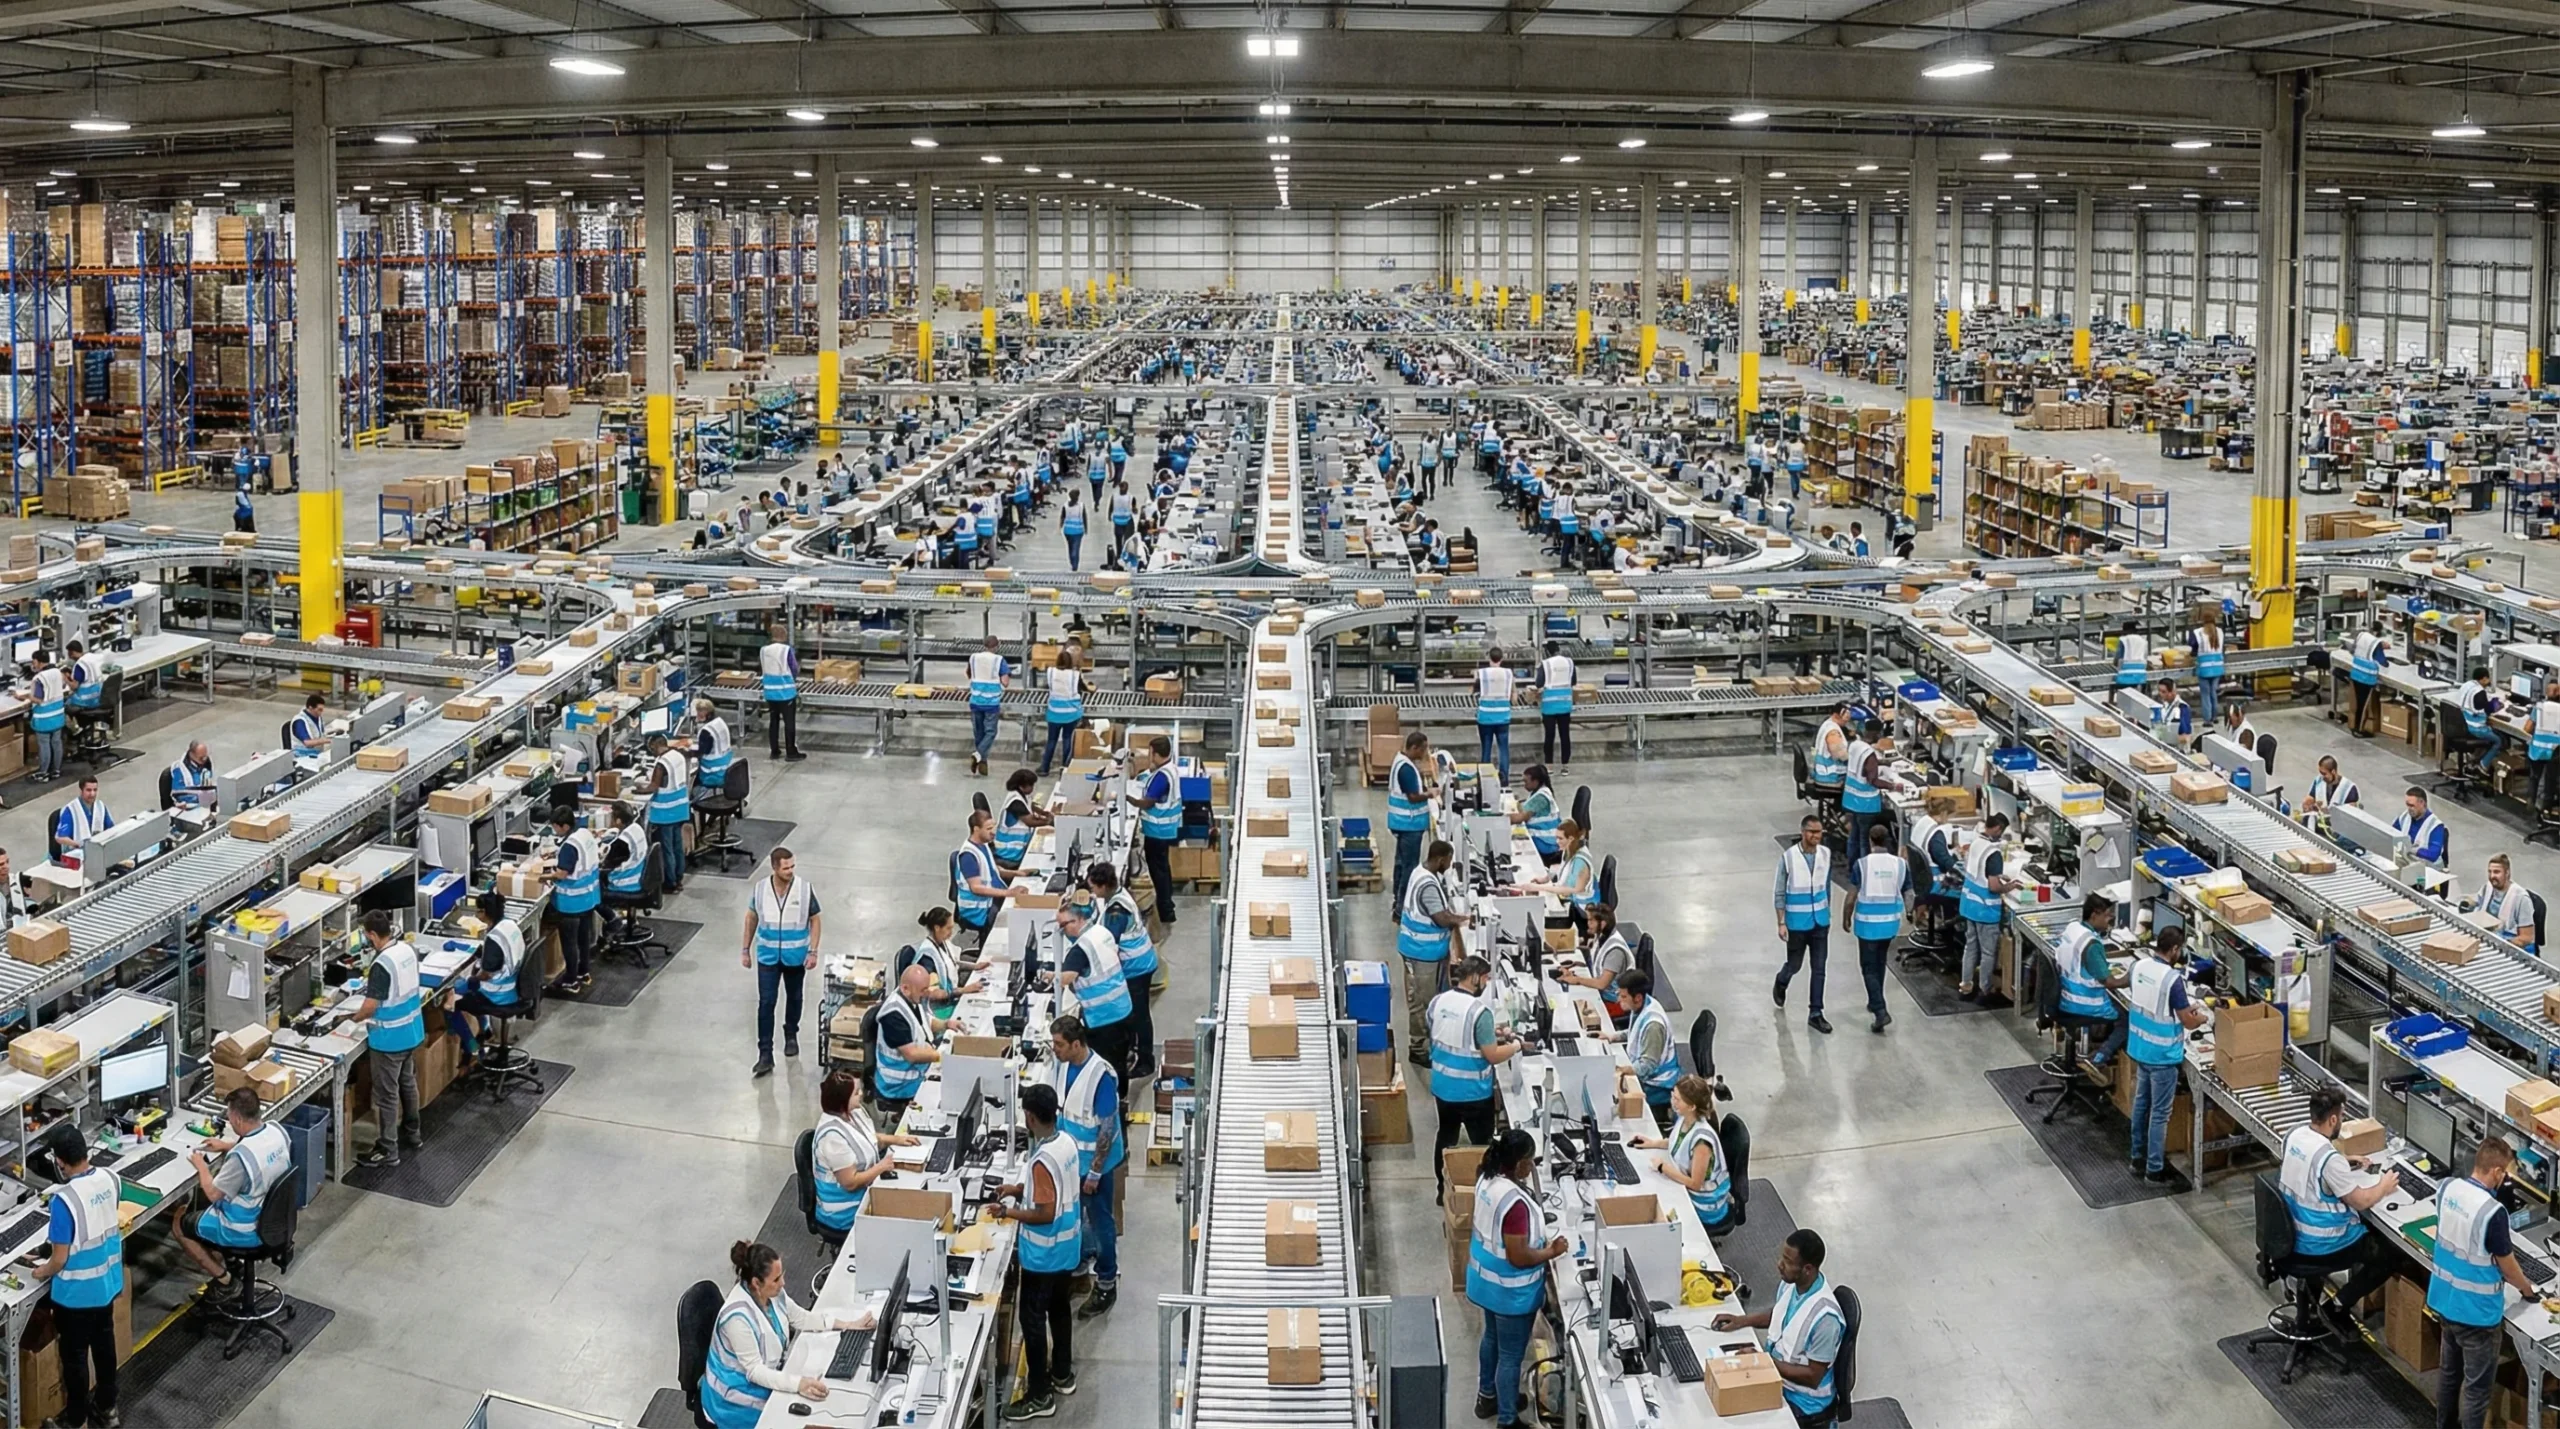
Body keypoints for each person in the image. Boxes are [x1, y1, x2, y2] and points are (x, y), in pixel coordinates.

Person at [698, 1240, 875, 1429]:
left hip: (765, 1380)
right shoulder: (737, 1319)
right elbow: (755, 1371)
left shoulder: (771, 1294)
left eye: (781, 1275)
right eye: (776, 1280)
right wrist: (799, 1384)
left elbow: (801, 1318)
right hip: (735, 1401)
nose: (782, 1283)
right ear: (756, 1283)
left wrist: (848, 1325)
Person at [2277, 1087, 2407, 1340]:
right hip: (2320, 1243)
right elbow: (2361, 1201)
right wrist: (2384, 1185)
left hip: (2291, 1232)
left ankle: (2314, 1307)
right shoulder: (2329, 1159)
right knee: (2389, 1253)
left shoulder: (2294, 1134)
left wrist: (2342, 1160)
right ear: (2333, 1119)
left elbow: (2309, 1166)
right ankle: (2338, 1306)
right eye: (2343, 1116)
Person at [2430, 1136, 2542, 1429]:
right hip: (2476, 1314)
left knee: (2449, 1375)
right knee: (2476, 1391)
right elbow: (2508, 1267)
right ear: (2497, 1172)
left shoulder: (2447, 1188)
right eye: (2506, 1173)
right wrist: (2528, 1290)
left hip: (2445, 1300)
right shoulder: (2492, 1212)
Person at [993, 1082, 1083, 1420]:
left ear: (1030, 1117)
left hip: (1044, 1256)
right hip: (1067, 1248)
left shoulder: (1042, 1161)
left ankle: (1040, 1395)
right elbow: (1054, 1190)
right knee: (1059, 1310)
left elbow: (1045, 1213)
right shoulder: (1065, 1142)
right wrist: (1018, 1189)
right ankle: (1062, 1374)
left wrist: (1008, 1212)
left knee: (1032, 1322)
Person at [1466, 1129, 1567, 1429]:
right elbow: (1519, 1256)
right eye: (1530, 1160)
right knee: (1510, 1357)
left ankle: (1487, 1397)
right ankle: (1507, 1420)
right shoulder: (1515, 1205)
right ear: (1520, 1163)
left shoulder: (1487, 1178)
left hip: (1486, 1283)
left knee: (1492, 1338)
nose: (1532, 1166)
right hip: (1510, 1293)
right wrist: (1552, 1251)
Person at [29, 1126, 122, 1429]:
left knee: (75, 1359)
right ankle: (107, 1409)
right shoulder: (111, 1178)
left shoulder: (64, 1201)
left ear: (59, 1162)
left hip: (77, 1296)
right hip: (106, 1284)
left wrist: (39, 1271)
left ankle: (76, 1421)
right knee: (105, 1348)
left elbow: (59, 1260)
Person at [1711, 1229, 1848, 1427]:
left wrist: (1763, 1362)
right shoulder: (1792, 1285)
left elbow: (1813, 1377)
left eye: (1788, 1262)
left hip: (1803, 1401)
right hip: (1777, 1375)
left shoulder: (1826, 1319)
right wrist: (1741, 1320)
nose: (1779, 1264)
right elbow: (1780, 1315)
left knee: (1733, 1416)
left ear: (1807, 1269)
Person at [1043, 1014, 1125, 1322]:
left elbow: (1107, 1129)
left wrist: (1095, 1171)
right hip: (1072, 1161)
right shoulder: (1064, 1065)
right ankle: (1080, 1265)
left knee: (1101, 1223)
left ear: (1076, 1044)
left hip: (1094, 1166)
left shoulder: (1100, 1077)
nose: (1055, 1049)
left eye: (1059, 1044)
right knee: (1077, 1216)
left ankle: (1106, 1283)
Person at [173, 1086, 294, 1281]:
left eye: (229, 1115)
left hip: (245, 1228)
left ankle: (225, 1281)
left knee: (180, 1223)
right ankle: (232, 1264)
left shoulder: (240, 1157)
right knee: (210, 1202)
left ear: (237, 1119)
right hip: (275, 1220)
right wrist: (227, 1146)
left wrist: (201, 1165)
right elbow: (259, 1150)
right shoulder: (276, 1131)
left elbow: (213, 1194)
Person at [1427, 955, 1517, 1202]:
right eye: (1486, 978)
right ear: (1475, 977)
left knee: (1446, 1136)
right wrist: (1515, 1046)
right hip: (1473, 1093)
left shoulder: (1438, 1001)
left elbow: (1444, 1032)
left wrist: (1490, 1033)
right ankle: (1483, 1193)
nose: (1486, 984)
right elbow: (1492, 1055)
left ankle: (1442, 1190)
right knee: (1482, 1146)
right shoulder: (1479, 1012)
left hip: (1443, 1087)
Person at [2126, 925, 2207, 1183]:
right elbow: (2188, 1022)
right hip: (2162, 1055)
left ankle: (2137, 1158)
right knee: (2159, 1114)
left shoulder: (2139, 966)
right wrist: (2202, 1018)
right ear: (2174, 949)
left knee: (2141, 1105)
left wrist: (2182, 1007)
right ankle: (2154, 1170)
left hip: (2140, 1047)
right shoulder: (2172, 980)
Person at [347, 910, 424, 1168]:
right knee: (407, 1083)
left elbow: (370, 1007)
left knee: (387, 1096)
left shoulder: (381, 965)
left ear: (371, 935)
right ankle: (413, 1134)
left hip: (389, 1039)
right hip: (411, 1031)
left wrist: (352, 1019)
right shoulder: (407, 950)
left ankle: (388, 1149)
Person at [742, 845, 821, 1078]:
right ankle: (765, 1054)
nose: (791, 871)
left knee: (795, 998)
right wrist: (745, 950)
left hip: (795, 957)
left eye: (793, 866)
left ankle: (791, 1034)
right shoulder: (760, 890)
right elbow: (751, 918)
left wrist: (813, 951)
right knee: (766, 1003)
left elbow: (816, 919)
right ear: (774, 868)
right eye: (786, 868)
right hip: (767, 957)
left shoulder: (804, 889)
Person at [812, 1069, 912, 1237]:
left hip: (864, 1193)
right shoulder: (832, 1137)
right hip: (844, 1212)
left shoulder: (854, 1113)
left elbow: (868, 1138)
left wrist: (897, 1140)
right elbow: (850, 1182)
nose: (861, 1095)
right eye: (856, 1093)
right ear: (842, 1099)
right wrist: (881, 1167)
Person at [1630, 1074, 1736, 1232]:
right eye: (1673, 1095)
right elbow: (1678, 1142)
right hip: (1687, 1188)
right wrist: (1652, 1143)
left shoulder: (1702, 1143)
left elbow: (1695, 1184)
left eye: (1677, 1099)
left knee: (1655, 1211)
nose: (1673, 1101)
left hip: (1704, 1205)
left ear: (1691, 1106)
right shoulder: (1685, 1119)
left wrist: (1663, 1168)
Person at [1055, 894, 1137, 1080]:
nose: (1062, 931)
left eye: (1063, 925)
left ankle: (1112, 1095)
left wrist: (1048, 975)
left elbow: (1064, 979)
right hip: (1123, 1008)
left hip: (1104, 1019)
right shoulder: (1101, 931)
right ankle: (1121, 1094)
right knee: (1119, 1063)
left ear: (1078, 920)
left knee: (1106, 1069)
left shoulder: (1080, 949)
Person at [1398, 839, 1464, 1066]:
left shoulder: (1423, 872)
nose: (1450, 865)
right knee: (1421, 1001)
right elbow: (1441, 918)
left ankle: (1429, 1042)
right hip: (1421, 953)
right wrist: (1464, 920)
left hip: (1425, 951)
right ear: (1441, 859)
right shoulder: (1427, 885)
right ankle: (1418, 1049)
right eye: (1449, 860)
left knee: (1428, 998)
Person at [1771, 814, 1836, 1034]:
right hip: (1797, 923)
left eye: (1819, 832)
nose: (1816, 836)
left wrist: (1828, 912)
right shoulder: (1789, 858)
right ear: (1803, 832)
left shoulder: (1826, 854)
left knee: (1819, 969)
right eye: (1812, 832)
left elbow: (1827, 886)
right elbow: (1780, 892)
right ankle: (1782, 980)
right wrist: (1781, 922)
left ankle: (1816, 1012)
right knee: (1795, 964)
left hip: (1820, 922)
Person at [447, 890, 525, 1064]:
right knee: (469, 990)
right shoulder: (509, 925)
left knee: (450, 1002)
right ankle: (485, 1030)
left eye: (478, 911)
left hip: (497, 994)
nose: (476, 914)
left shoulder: (494, 938)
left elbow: (486, 974)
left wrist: (471, 980)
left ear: (485, 912)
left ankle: (472, 1046)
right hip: (513, 987)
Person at [2055, 892, 2131, 1069]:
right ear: (2095, 914)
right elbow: (2110, 982)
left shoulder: (2073, 928)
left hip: (2066, 994)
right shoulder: (2091, 944)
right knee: (2128, 1019)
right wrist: (2132, 977)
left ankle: (2095, 1048)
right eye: (2107, 916)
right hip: (2083, 1002)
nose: (2110, 920)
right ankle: (2099, 1058)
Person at [1848, 818, 1907, 1035]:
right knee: (1880, 962)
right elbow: (1909, 892)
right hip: (1890, 924)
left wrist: (1846, 917)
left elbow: (1851, 895)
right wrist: (1911, 913)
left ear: (1870, 840)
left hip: (1867, 925)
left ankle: (1880, 1010)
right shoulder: (1900, 864)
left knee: (1867, 967)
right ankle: (1875, 1001)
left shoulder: (1862, 864)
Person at [871, 963, 944, 1121]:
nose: (927, 993)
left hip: (915, 1070)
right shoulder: (893, 1014)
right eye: (923, 990)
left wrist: (947, 1024)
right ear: (905, 988)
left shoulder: (911, 998)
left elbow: (924, 1023)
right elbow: (912, 1055)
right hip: (900, 1083)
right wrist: (942, 1057)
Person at [1958, 813, 2017, 1002]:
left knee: (1970, 947)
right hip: (1985, 909)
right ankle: (1985, 990)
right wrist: (2010, 886)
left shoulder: (1976, 842)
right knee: (1988, 952)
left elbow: (1979, 871)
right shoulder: (1994, 853)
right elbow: (1993, 887)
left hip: (1969, 904)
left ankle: (1966, 986)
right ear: (1998, 829)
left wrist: (1997, 875)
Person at [542, 805, 599, 996]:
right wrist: (557, 854)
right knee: (583, 938)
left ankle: (570, 981)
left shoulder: (569, 846)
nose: (554, 830)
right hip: (589, 898)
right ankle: (584, 972)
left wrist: (542, 877)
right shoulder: (583, 834)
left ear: (564, 826)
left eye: (556, 827)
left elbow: (562, 874)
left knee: (569, 943)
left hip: (571, 903)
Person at [1127, 735, 1182, 925]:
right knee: (1163, 869)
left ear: (1157, 754)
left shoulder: (1162, 777)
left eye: (1151, 753)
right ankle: (1167, 907)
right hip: (1165, 830)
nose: (1149, 757)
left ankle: (1166, 911)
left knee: (1159, 873)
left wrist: (1127, 797)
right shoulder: (1169, 769)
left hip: (1157, 831)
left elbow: (1148, 802)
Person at [1615, 969, 1680, 1129]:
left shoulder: (1653, 1026)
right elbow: (1636, 1031)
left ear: (1637, 998)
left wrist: (1623, 1070)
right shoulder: (1644, 1005)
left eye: (1623, 996)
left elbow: (1647, 1066)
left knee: (1614, 1100)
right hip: (1647, 1074)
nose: (1618, 1000)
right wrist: (1613, 1037)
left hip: (1658, 1085)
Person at [1556, 901, 1634, 1023]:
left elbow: (1602, 984)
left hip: (1615, 1002)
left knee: (1572, 1012)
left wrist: (1577, 980)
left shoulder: (1615, 952)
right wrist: (1575, 964)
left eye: (1591, 921)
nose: (1588, 924)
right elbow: (1596, 956)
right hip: (1602, 995)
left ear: (1602, 924)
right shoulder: (1602, 936)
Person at [1838, 717, 1904, 861]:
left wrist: (1882, 762)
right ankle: (1864, 868)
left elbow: (1861, 764)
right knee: (1864, 840)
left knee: (1854, 836)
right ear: (1877, 733)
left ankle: (1852, 866)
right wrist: (1893, 786)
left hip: (1851, 799)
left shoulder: (1855, 745)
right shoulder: (1869, 754)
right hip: (1865, 803)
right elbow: (1873, 780)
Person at [898, 907, 985, 1013]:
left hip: (950, 997)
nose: (951, 933)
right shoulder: (927, 958)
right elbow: (933, 993)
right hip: (936, 1009)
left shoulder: (943, 943)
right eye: (948, 928)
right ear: (937, 928)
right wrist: (964, 990)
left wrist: (975, 966)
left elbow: (953, 963)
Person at [1386, 730, 1435, 916]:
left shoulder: (1401, 761)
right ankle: (1402, 909)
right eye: (1423, 749)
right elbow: (1413, 797)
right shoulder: (1406, 768)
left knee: (1401, 863)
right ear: (1414, 748)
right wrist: (1431, 794)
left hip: (1402, 823)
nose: (1425, 753)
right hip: (1410, 824)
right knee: (1410, 868)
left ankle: (1397, 901)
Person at [951, 809, 1014, 949]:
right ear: (976, 829)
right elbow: (976, 888)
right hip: (979, 909)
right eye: (989, 829)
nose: (993, 832)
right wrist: (1008, 893)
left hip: (991, 900)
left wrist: (1019, 873)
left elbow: (994, 871)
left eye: (994, 827)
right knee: (1010, 922)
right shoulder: (968, 855)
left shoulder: (983, 845)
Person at [639, 731, 692, 893]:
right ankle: (679, 878)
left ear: (656, 745)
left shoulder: (661, 764)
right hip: (680, 808)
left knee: (667, 849)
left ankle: (670, 883)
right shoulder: (678, 755)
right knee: (677, 846)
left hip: (666, 811)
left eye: (651, 748)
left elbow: (653, 787)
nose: (651, 751)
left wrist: (636, 789)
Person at [756, 624, 804, 762]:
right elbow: (794, 668)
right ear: (784, 635)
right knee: (789, 723)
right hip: (786, 692)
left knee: (774, 721)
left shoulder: (763, 650)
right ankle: (791, 752)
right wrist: (793, 678)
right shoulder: (786, 650)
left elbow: (762, 667)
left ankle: (774, 751)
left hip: (770, 692)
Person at [992, 769, 1050, 877]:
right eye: (1031, 785)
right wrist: (1049, 822)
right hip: (1010, 854)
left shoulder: (1020, 795)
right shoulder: (1015, 802)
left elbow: (1029, 805)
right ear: (1021, 786)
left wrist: (1043, 812)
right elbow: (1030, 821)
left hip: (1016, 851)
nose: (1033, 788)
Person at [1038, 647, 1085, 778]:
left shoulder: (1051, 672)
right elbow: (1082, 688)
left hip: (1054, 712)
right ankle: (1065, 767)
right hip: (1071, 713)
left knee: (1051, 740)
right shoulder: (1075, 675)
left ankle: (1044, 767)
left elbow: (1046, 686)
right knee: (1067, 738)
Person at [2477, 852, 2538, 952]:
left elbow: (2527, 938)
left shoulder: (2521, 898)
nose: (2492, 876)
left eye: (2496, 872)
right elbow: (2477, 904)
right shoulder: (2488, 887)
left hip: (2513, 947)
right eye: (2490, 872)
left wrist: (2501, 946)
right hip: (2491, 938)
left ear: (2507, 873)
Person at [966, 635, 1009, 777]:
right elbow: (1005, 682)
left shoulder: (973, 657)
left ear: (984, 645)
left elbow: (968, 674)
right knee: (990, 732)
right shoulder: (999, 660)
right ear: (997, 646)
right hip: (991, 702)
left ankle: (982, 763)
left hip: (975, 700)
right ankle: (978, 755)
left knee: (979, 733)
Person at [1510, 763, 1564, 869]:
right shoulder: (1541, 791)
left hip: (1546, 844)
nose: (1524, 785)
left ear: (1535, 781)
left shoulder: (1541, 797)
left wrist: (1498, 817)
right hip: (1547, 840)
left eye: (1526, 782)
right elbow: (1525, 810)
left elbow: (1520, 818)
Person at [50, 776, 111, 870]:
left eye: (95, 790)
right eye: (88, 790)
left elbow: (111, 829)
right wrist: (78, 844)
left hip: (97, 853)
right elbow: (60, 837)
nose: (92, 794)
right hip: (76, 855)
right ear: (81, 790)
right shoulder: (71, 809)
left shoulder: (100, 806)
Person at [1474, 648, 1515, 785]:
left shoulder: (1482, 673)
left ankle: (1485, 780)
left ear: (1489, 658)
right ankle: (1504, 779)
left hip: (1485, 717)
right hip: (1503, 716)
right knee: (1503, 749)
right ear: (1502, 658)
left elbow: (1474, 691)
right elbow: (1514, 696)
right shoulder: (1508, 674)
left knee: (1486, 748)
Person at [1536, 641, 1576, 772]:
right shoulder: (1569, 662)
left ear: (1547, 652)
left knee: (1549, 735)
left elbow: (1539, 683)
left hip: (1549, 706)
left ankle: (1549, 766)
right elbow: (1573, 681)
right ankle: (1565, 766)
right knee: (1565, 735)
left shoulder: (1545, 664)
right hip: (1565, 704)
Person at [27, 649, 65, 783]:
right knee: (56, 742)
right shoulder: (58, 672)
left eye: (34, 662)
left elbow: (38, 699)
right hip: (58, 715)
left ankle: (43, 773)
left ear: (38, 662)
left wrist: (25, 697)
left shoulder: (39, 678)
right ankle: (56, 770)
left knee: (44, 744)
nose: (33, 665)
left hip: (44, 718)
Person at [2348, 620, 2391, 738]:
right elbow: (2383, 662)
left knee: (2358, 702)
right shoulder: (2375, 643)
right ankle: (2359, 730)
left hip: (2356, 673)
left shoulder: (2362, 636)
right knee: (2364, 704)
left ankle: (2354, 726)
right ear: (2378, 632)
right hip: (2366, 677)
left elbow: (2352, 650)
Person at [2396, 785, 2450, 868]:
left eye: (2412, 805)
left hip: (2430, 868)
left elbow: (2433, 854)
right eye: (2407, 805)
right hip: (2409, 863)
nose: (2409, 808)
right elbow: (2392, 833)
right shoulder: (2404, 816)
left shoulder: (2436, 826)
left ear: (2422, 803)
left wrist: (2415, 851)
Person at [2530, 678, 2560, 816]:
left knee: (2535, 776)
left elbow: (2527, 728)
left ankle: (2532, 801)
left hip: (2537, 750)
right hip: (2555, 753)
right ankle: (2545, 806)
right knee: (2549, 779)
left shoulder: (2539, 707)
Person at [1807, 703, 1850, 800]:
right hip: (1829, 777)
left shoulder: (1827, 724)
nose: (1847, 721)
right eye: (1846, 718)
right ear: (1837, 715)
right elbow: (1841, 756)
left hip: (1821, 772)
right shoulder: (1832, 732)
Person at [165, 740, 217, 813]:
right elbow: (178, 794)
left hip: (207, 804)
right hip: (190, 808)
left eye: (205, 756)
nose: (204, 760)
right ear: (191, 754)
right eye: (201, 758)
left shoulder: (206, 763)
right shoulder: (179, 769)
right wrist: (199, 798)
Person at [289, 691, 328, 762]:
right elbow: (307, 743)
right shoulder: (300, 721)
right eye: (319, 710)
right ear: (310, 708)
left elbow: (321, 733)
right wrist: (327, 740)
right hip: (302, 757)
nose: (321, 712)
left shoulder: (318, 717)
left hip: (317, 753)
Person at [2113, 619, 2149, 688]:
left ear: (2125, 630)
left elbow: (2118, 657)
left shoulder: (2123, 639)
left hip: (2125, 673)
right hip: (2140, 673)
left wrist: (2115, 664)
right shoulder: (2143, 640)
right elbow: (2145, 657)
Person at [1061, 489, 1088, 571]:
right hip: (1073, 531)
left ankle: (1074, 564)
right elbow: (1063, 516)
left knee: (1073, 548)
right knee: (1073, 548)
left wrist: (1060, 526)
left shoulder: (1078, 506)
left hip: (1073, 531)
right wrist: (1086, 528)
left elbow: (1063, 517)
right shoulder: (1068, 506)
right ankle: (1074, 564)